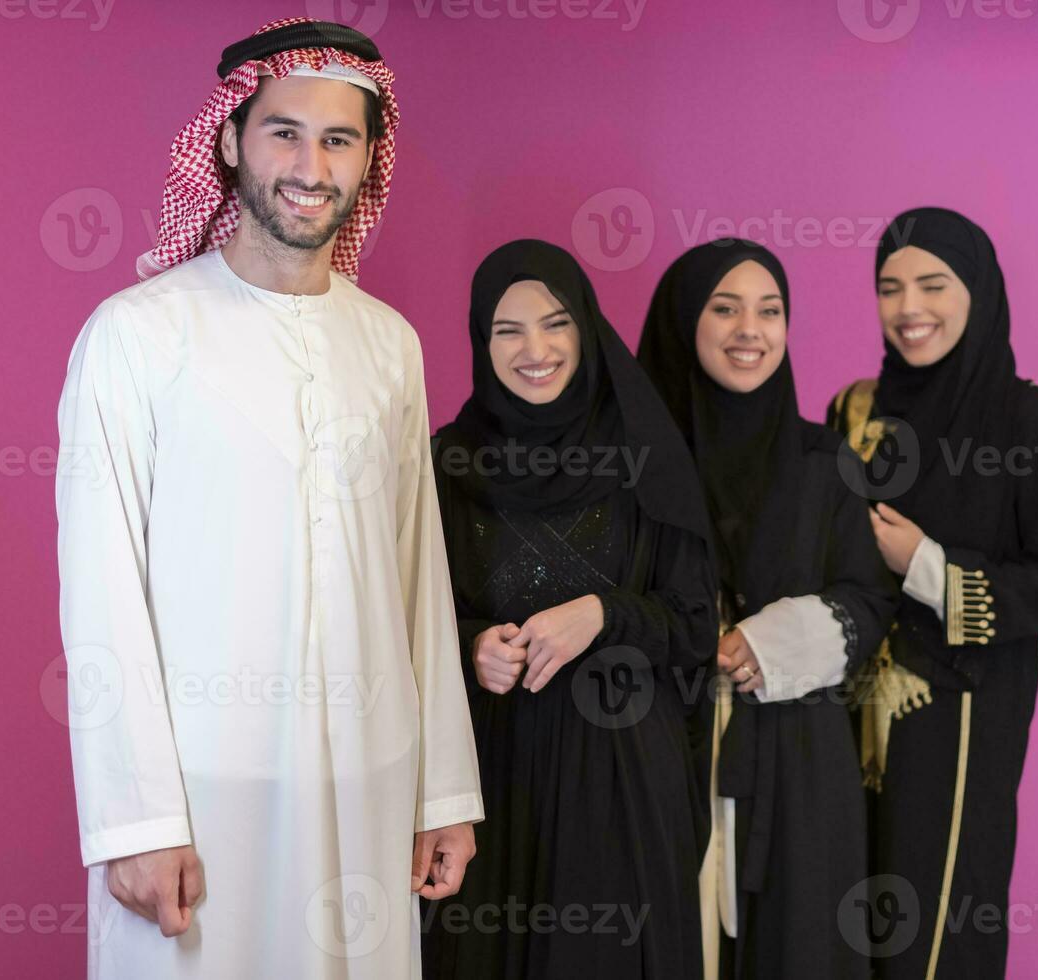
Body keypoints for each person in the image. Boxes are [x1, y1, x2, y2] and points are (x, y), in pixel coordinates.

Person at [54, 19, 482, 978]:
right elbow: (101, 591)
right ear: (227, 140)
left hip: (370, 786)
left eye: (339, 139)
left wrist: (442, 792)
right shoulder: (137, 335)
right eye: (284, 131)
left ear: (369, 160)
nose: (310, 164)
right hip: (201, 804)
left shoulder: (389, 346)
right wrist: (136, 819)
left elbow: (420, 580)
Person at [422, 239, 717, 980]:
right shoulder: (449, 462)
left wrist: (603, 615)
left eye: (556, 324)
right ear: (479, 341)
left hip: (623, 780)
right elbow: (411, 617)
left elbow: (692, 626)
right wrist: (470, 645)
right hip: (493, 780)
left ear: (586, 328)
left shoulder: (644, 455)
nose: (536, 350)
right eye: (507, 330)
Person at [826, 208, 1038, 979]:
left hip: (961, 719)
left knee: (937, 928)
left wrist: (928, 567)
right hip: (842, 717)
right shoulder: (855, 412)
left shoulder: (1022, 416)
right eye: (890, 288)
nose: (910, 308)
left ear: (977, 291)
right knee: (839, 921)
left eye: (933, 285)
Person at [637, 240, 896, 980]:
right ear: (685, 321)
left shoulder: (826, 464)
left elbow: (870, 598)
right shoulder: (633, 465)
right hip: (660, 752)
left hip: (798, 767)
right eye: (724, 308)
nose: (750, 329)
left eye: (770, 310)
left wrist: (775, 640)